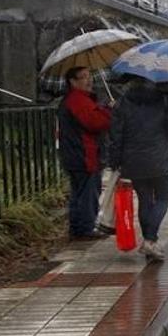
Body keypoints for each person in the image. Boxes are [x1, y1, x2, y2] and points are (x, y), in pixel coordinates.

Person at [108, 78, 168, 260]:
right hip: (159, 157)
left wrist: (115, 161)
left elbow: (115, 135)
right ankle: (150, 240)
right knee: (163, 197)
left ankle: (150, 242)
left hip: (133, 159)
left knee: (145, 200)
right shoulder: (164, 99)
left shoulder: (123, 102)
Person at [58, 66, 112, 239]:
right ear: (73, 82)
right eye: (83, 77)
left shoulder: (78, 99)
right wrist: (110, 112)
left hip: (76, 154)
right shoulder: (77, 100)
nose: (89, 80)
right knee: (88, 192)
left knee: (79, 192)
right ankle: (85, 228)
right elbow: (95, 122)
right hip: (84, 155)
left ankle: (78, 228)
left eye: (89, 76)